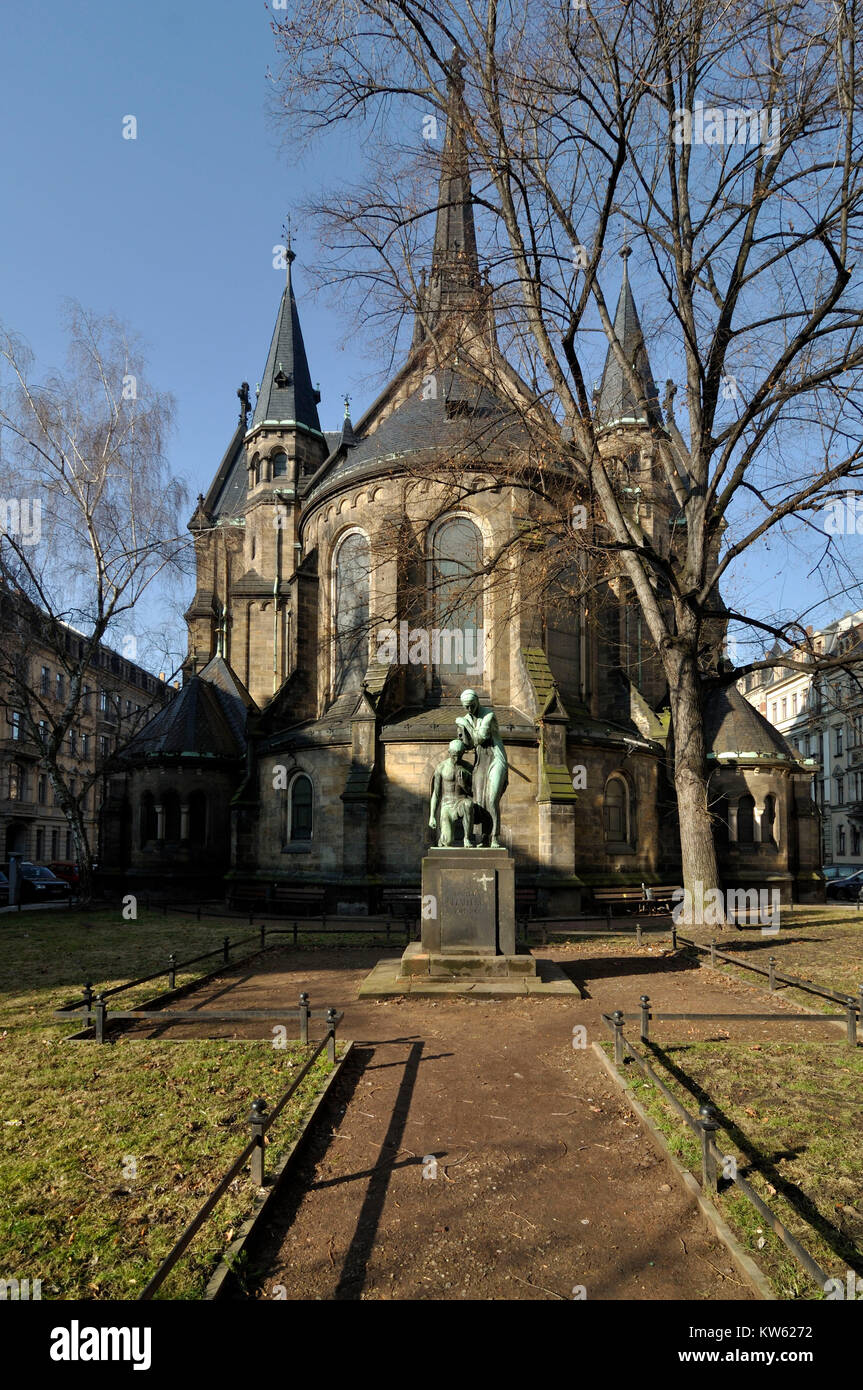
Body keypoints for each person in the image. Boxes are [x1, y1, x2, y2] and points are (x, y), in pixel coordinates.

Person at [455, 689, 508, 848]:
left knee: (491, 800)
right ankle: (484, 838)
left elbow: (479, 738)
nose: (469, 710)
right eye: (466, 707)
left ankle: (495, 838)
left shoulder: (488, 715)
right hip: (481, 762)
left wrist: (465, 724)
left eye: (471, 705)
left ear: (477, 701)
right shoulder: (466, 718)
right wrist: (461, 734)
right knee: (479, 801)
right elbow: (469, 744)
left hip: (495, 760)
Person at [429, 739, 476, 848]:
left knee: (468, 804)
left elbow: (475, 794)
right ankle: (443, 838)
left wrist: (464, 785)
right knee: (448, 842)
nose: (456, 758)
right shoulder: (441, 767)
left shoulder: (468, 768)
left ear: (463, 753)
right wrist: (432, 816)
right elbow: (436, 794)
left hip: (461, 801)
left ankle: (467, 838)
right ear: (449, 752)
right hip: (447, 805)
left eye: (459, 755)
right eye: (454, 755)